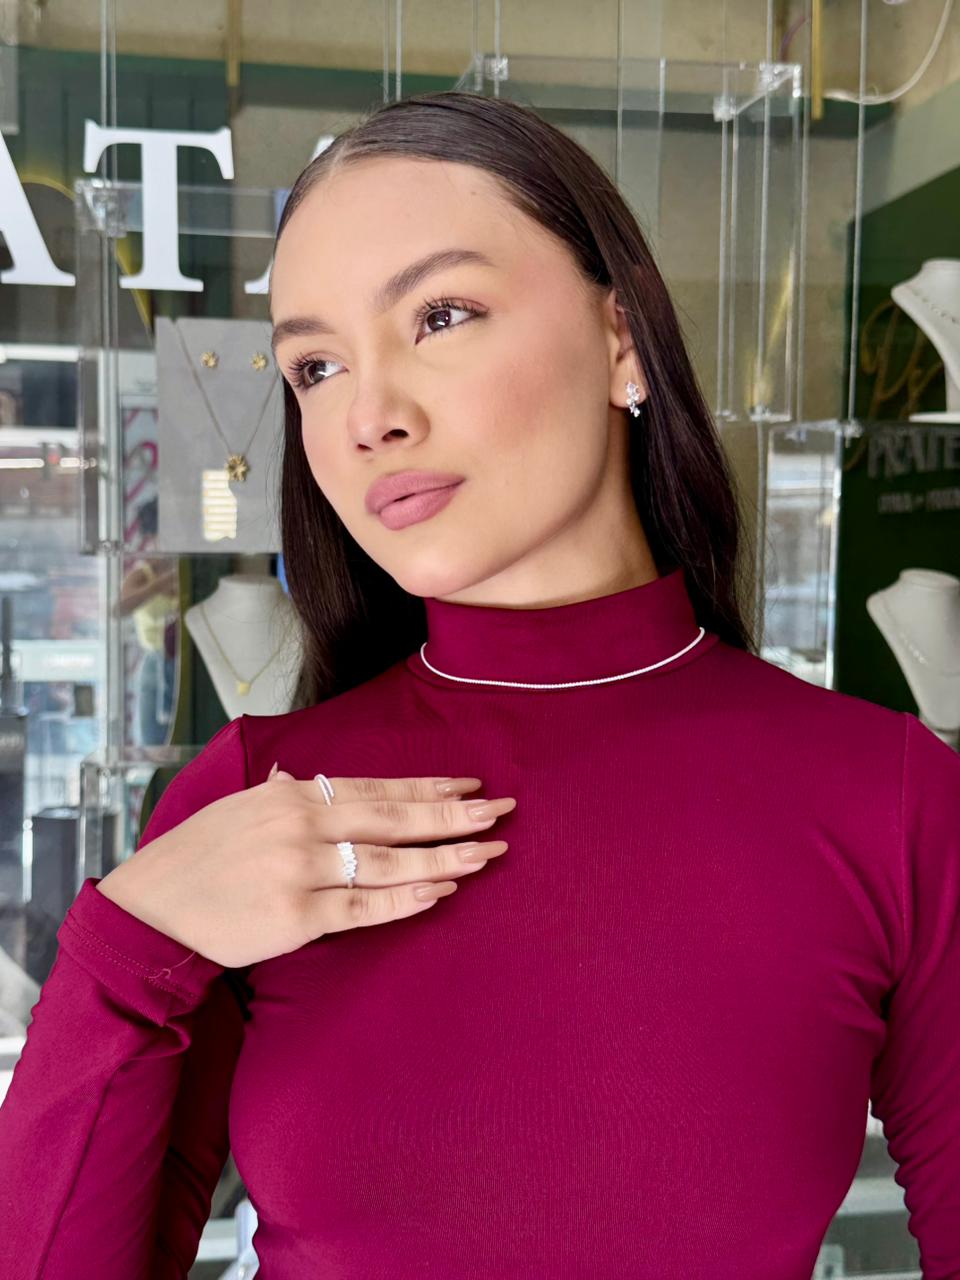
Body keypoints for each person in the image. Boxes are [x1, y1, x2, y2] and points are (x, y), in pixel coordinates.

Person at [1, 90, 958, 1280]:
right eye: (314, 366)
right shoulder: (253, 805)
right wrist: (128, 941)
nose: (369, 416)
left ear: (622, 339)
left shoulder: (892, 800)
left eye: (441, 314)